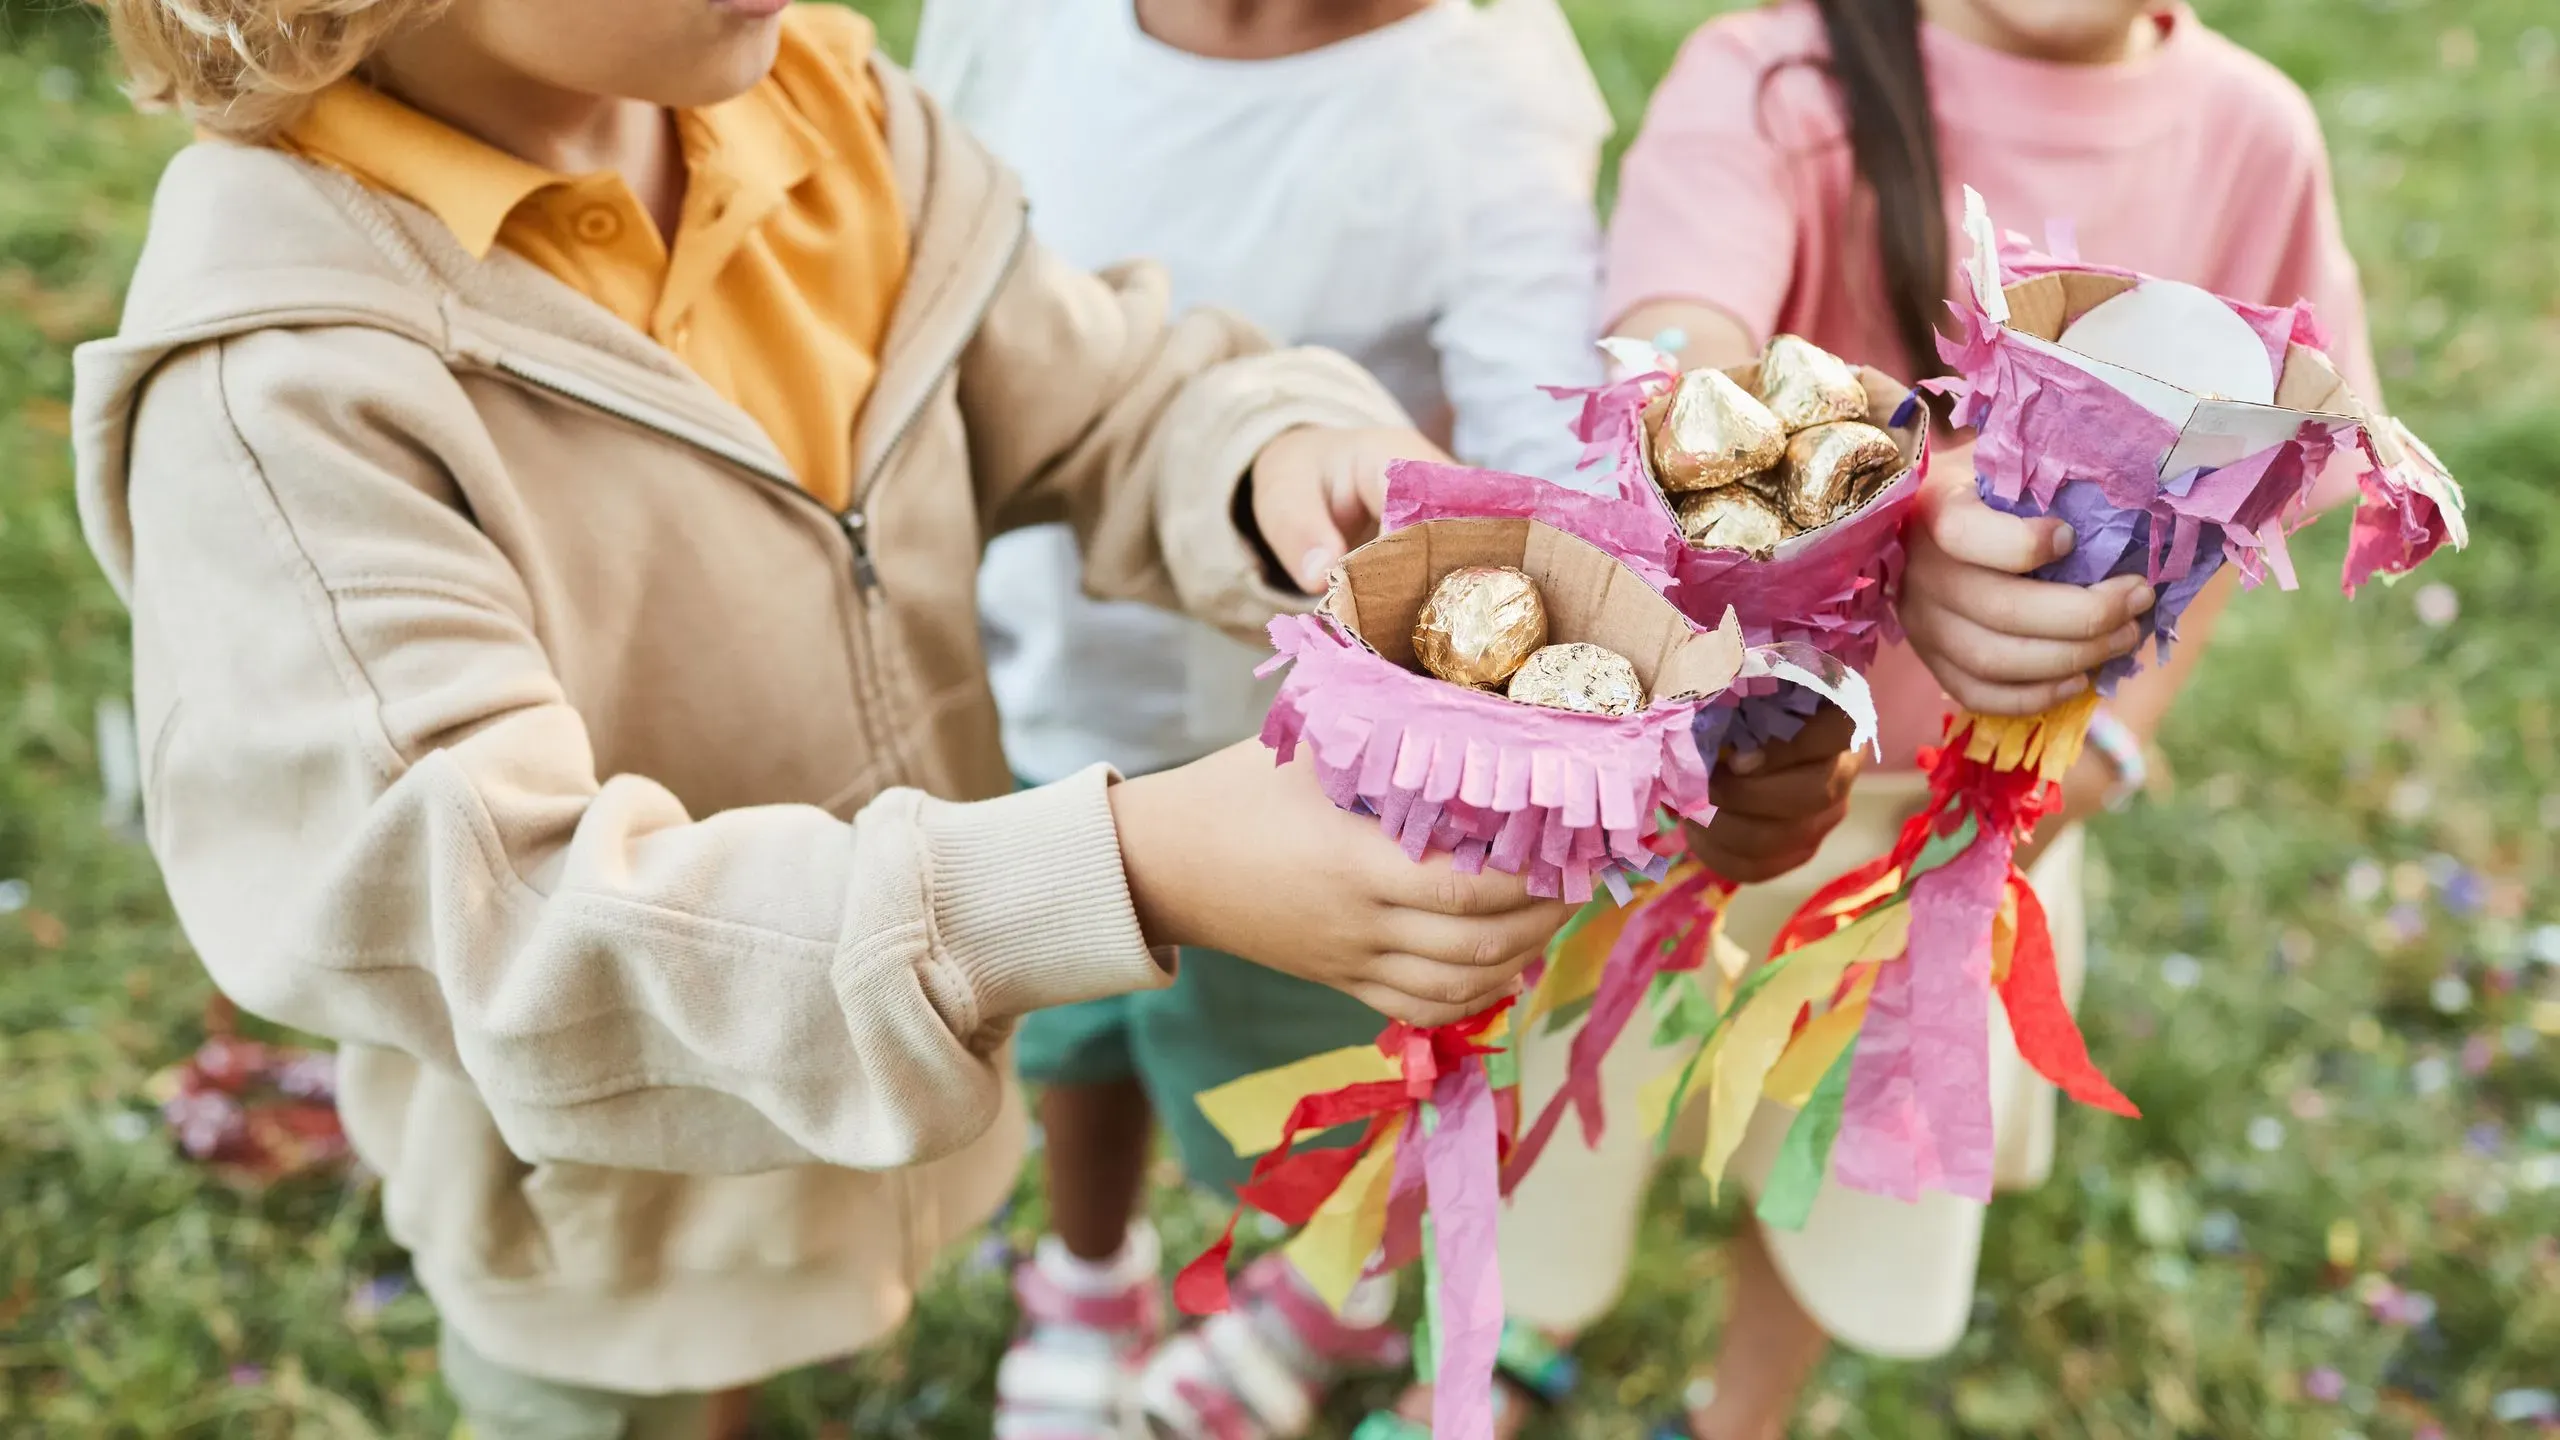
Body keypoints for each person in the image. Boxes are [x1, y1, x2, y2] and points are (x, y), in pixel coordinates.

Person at [68, 0, 1599, 1435]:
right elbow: (509, 914)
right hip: (607, 1226)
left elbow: (1095, 393)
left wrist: (1264, 455)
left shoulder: (813, 109)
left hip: (881, 1137)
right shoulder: (285, 391)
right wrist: (1128, 871)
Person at [1502, 0, 2389, 1435]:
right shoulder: (1775, 78)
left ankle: (1743, 1410)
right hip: (1708, 782)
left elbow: (2262, 478)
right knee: (1565, 1116)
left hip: (1955, 824)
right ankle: (1506, 1339)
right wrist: (1863, 495)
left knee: (1839, 1168)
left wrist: (2114, 733)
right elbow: (1685, 334)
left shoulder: (2251, 136)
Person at [910, 4, 1745, 1436]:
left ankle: (1322, 1295)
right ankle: (1088, 1268)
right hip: (1035, 662)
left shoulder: (1475, 88)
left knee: (1312, 1070)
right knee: (1074, 1021)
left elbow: (1540, 427)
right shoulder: (1014, 24)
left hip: (1304, 769)